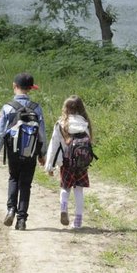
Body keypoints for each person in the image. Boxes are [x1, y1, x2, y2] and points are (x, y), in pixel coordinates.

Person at [0, 72, 47, 230]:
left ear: (14, 86)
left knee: (14, 178)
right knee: (26, 184)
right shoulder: (37, 108)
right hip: (31, 150)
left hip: (13, 150)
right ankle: (22, 220)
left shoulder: (8, 107)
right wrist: (42, 154)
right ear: (30, 89)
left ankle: (11, 210)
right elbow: (42, 133)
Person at [44, 95, 93, 230]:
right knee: (79, 191)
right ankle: (78, 222)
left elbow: (54, 146)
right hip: (81, 163)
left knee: (65, 188)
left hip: (66, 162)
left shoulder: (61, 124)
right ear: (81, 108)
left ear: (65, 108)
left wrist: (49, 166)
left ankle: (64, 208)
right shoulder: (85, 123)